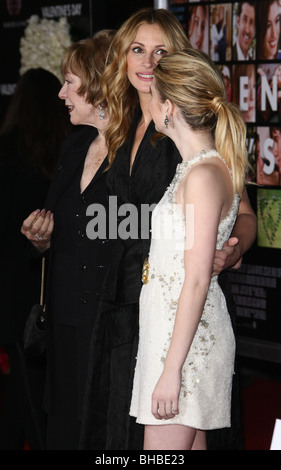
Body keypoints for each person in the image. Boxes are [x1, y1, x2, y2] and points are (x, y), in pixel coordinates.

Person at [80, 8, 256, 451]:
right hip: (135, 305)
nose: (147, 62)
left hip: (182, 318)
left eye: (160, 53)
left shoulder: (199, 162)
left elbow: (214, 251)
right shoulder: (121, 130)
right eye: (137, 50)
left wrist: (230, 250)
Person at [129, 47, 249, 451]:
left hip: (183, 349)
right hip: (178, 339)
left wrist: (171, 371)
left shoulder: (202, 174)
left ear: (169, 108)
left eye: (153, 97)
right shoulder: (202, 168)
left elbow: (196, 279)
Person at [20, 30, 115, 450]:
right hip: (63, 325)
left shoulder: (144, 154)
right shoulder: (75, 145)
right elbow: (59, 224)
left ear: (99, 85)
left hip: (111, 328)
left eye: (71, 82)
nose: (61, 93)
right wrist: (40, 239)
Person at [0, 68, 72, 450]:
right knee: (30, 386)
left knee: (27, 384)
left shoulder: (8, 154)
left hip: (14, 291)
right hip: (48, 286)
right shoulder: (67, 153)